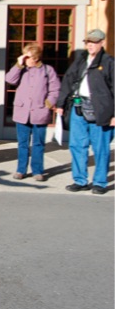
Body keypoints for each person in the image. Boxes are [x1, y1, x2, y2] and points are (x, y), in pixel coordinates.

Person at [55, 29, 114, 195]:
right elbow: (67, 80)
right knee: (77, 145)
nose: (90, 45)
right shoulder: (80, 60)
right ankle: (80, 180)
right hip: (78, 107)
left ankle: (100, 183)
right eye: (88, 41)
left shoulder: (109, 62)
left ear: (101, 43)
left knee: (100, 148)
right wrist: (61, 103)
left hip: (101, 110)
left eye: (94, 42)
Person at [5, 42, 61, 181]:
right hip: (22, 111)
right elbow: (9, 79)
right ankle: (20, 170)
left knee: (38, 143)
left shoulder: (48, 70)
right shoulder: (21, 69)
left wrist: (48, 104)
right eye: (24, 56)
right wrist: (18, 64)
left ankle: (37, 171)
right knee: (22, 143)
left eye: (28, 57)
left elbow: (55, 89)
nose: (25, 59)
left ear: (36, 58)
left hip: (39, 112)